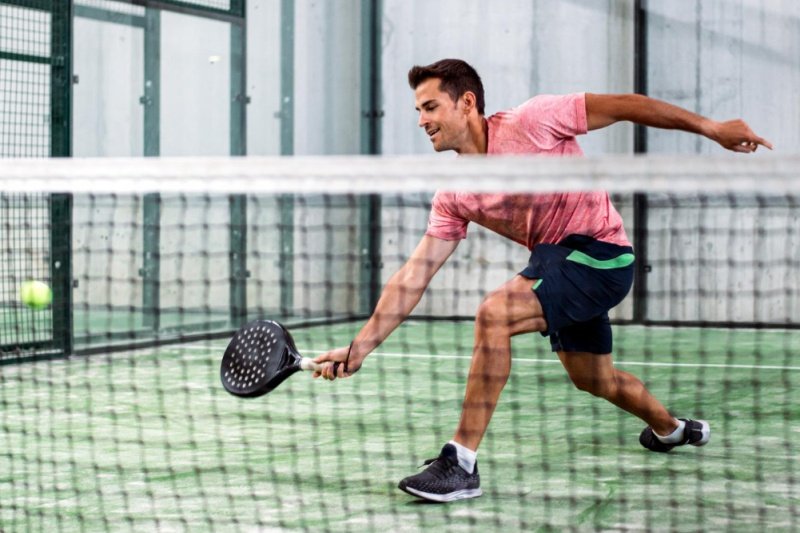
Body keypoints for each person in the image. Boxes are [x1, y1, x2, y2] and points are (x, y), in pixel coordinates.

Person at [312, 58, 772, 503]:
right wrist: (361, 347)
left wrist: (710, 128)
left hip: (602, 255)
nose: (421, 120)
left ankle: (461, 465)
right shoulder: (454, 195)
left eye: (430, 107)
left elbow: (627, 104)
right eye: (418, 110)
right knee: (595, 379)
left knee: (495, 314)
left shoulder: (534, 121)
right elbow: (414, 275)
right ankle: (670, 430)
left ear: (466, 103)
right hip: (558, 267)